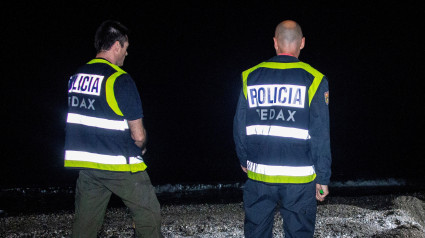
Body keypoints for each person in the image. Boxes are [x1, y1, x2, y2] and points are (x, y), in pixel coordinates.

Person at [233, 20, 331, 238]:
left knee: (256, 233)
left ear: (275, 43)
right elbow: (320, 134)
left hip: (260, 174)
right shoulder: (314, 79)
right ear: (302, 43)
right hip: (300, 179)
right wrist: (322, 178)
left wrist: (244, 160)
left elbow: (240, 127)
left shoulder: (250, 76)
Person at [64, 20, 163, 238]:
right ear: (117, 46)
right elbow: (138, 135)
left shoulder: (76, 77)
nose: (127, 54)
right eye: (126, 48)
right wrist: (142, 146)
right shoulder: (120, 79)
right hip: (119, 163)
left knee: (85, 225)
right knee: (149, 214)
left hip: (87, 164)